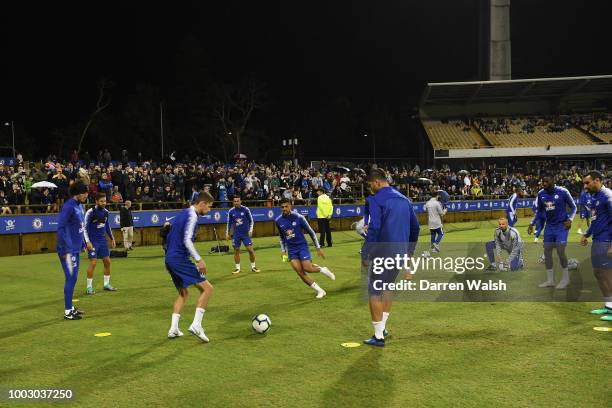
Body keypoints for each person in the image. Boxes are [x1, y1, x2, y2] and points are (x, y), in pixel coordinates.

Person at [361, 169, 419, 347]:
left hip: (382, 253)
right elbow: (415, 228)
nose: (370, 189)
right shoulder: (405, 199)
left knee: (374, 291)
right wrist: (409, 253)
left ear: (377, 182)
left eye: (370, 185)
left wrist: (365, 253)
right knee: (387, 287)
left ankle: (378, 336)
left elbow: (375, 227)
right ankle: (383, 327)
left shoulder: (375, 199)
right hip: (400, 253)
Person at [165, 191, 215, 342]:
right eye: (209, 206)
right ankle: (196, 325)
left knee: (183, 293)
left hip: (170, 259)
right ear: (202, 203)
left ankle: (173, 329)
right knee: (207, 289)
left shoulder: (183, 213)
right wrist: (199, 259)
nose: (209, 210)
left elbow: (168, 232)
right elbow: (187, 240)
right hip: (180, 258)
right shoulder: (193, 216)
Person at [275, 198, 335, 299]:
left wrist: (318, 248)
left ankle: (323, 269)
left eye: (286, 206)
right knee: (299, 271)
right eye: (282, 207)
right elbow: (281, 237)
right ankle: (320, 290)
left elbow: (311, 232)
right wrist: (283, 250)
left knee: (307, 268)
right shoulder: (278, 220)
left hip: (302, 246)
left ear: (290, 206)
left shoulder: (299, 217)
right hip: (292, 250)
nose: (284, 209)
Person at [527, 174, 576, 289]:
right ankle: (550, 281)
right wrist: (531, 223)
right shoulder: (541, 194)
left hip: (561, 226)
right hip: (549, 226)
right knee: (547, 252)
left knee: (560, 250)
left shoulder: (563, 191)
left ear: (553, 180)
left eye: (546, 181)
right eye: (543, 182)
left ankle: (565, 279)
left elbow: (573, 207)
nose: (544, 184)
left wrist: (570, 219)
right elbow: (539, 210)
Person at [580, 171, 612, 321]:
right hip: (598, 240)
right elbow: (594, 220)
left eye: (587, 183)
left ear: (597, 180)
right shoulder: (594, 198)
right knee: (599, 273)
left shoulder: (608, 196)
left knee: (607, 274)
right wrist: (587, 234)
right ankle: (608, 305)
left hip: (606, 240)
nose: (585, 186)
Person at [56, 181, 89, 320]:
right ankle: (68, 311)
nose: (87, 195)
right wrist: (68, 247)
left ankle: (70, 307)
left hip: (75, 249)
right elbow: (61, 228)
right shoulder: (68, 206)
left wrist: (83, 243)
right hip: (67, 250)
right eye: (85, 193)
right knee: (71, 278)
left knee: (73, 278)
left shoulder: (79, 206)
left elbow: (79, 226)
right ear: (78, 193)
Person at [83, 193, 117, 294]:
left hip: (103, 241)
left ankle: (106, 285)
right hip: (93, 241)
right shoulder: (90, 212)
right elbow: (84, 228)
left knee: (107, 261)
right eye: (101, 201)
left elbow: (107, 226)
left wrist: (112, 238)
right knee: (93, 263)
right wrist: (87, 242)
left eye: (105, 201)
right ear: (96, 201)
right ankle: (89, 287)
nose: (104, 203)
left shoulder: (106, 212)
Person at [226, 196, 260, 274]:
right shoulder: (231, 211)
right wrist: (227, 233)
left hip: (245, 234)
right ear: (233, 202)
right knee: (236, 251)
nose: (236, 202)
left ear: (240, 201)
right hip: (236, 235)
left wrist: (250, 230)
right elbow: (229, 223)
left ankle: (253, 267)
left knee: (250, 250)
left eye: (238, 201)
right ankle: (237, 268)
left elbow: (251, 221)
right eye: (235, 201)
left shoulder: (245, 209)